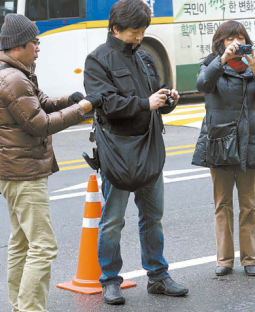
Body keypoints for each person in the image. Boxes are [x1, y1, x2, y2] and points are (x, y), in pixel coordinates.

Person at [83, 0, 187, 305]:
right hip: (118, 150)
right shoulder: (97, 61)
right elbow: (107, 104)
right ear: (116, 29)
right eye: (135, 31)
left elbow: (154, 98)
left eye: (143, 30)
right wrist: (146, 103)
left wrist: (168, 100)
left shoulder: (143, 59)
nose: (140, 36)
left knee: (153, 217)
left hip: (150, 146)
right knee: (113, 220)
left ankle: (158, 275)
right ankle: (110, 280)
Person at [0, 13, 94, 312]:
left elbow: (40, 101)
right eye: (35, 42)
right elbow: (40, 123)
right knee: (43, 246)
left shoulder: (16, 71)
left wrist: (70, 98)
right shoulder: (13, 79)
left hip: (14, 171)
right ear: (19, 45)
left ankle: (19, 304)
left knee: (22, 243)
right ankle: (29, 308)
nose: (39, 47)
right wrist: (82, 109)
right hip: (23, 172)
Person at [192, 20, 255, 277]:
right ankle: (224, 260)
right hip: (220, 140)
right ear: (221, 42)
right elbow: (202, 85)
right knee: (223, 203)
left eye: (240, 38)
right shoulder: (211, 64)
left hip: (249, 139)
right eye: (230, 38)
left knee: (249, 203)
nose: (236, 43)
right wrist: (222, 60)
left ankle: (250, 259)